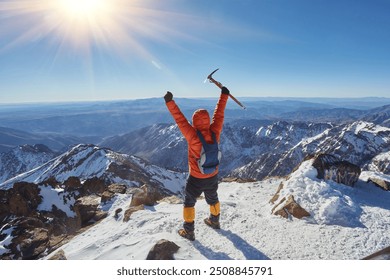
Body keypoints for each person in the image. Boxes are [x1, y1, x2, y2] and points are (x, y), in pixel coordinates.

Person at [164, 87, 230, 241]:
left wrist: (169, 102)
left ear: (194, 122)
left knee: (189, 202)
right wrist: (224, 95)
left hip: (196, 177)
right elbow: (219, 114)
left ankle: (189, 231)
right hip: (213, 174)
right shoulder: (215, 131)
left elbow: (179, 119)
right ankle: (214, 221)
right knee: (213, 198)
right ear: (208, 121)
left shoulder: (192, 135)